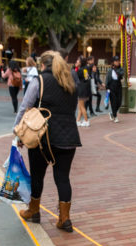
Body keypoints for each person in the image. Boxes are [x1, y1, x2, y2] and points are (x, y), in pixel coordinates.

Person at [14, 51, 80, 233]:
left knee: (37, 174)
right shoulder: (70, 81)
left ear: (42, 65)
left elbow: (25, 107)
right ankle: (64, 218)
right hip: (69, 136)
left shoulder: (40, 81)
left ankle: (34, 211)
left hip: (44, 136)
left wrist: (17, 131)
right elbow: (72, 109)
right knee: (63, 177)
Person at [105, 56, 123, 123]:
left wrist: (115, 69)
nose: (118, 62)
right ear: (113, 62)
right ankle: (115, 117)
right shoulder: (110, 70)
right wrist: (107, 87)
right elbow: (107, 78)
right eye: (116, 61)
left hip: (118, 87)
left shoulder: (120, 69)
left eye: (118, 61)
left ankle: (112, 113)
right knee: (113, 102)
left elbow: (121, 74)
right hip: (111, 87)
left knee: (119, 102)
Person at [74, 56, 91, 127]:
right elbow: (87, 78)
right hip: (85, 89)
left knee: (81, 106)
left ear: (81, 62)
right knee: (80, 106)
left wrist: (75, 67)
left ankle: (86, 121)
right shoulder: (86, 69)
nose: (77, 61)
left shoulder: (80, 70)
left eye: (78, 60)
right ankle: (77, 121)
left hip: (81, 89)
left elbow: (74, 76)